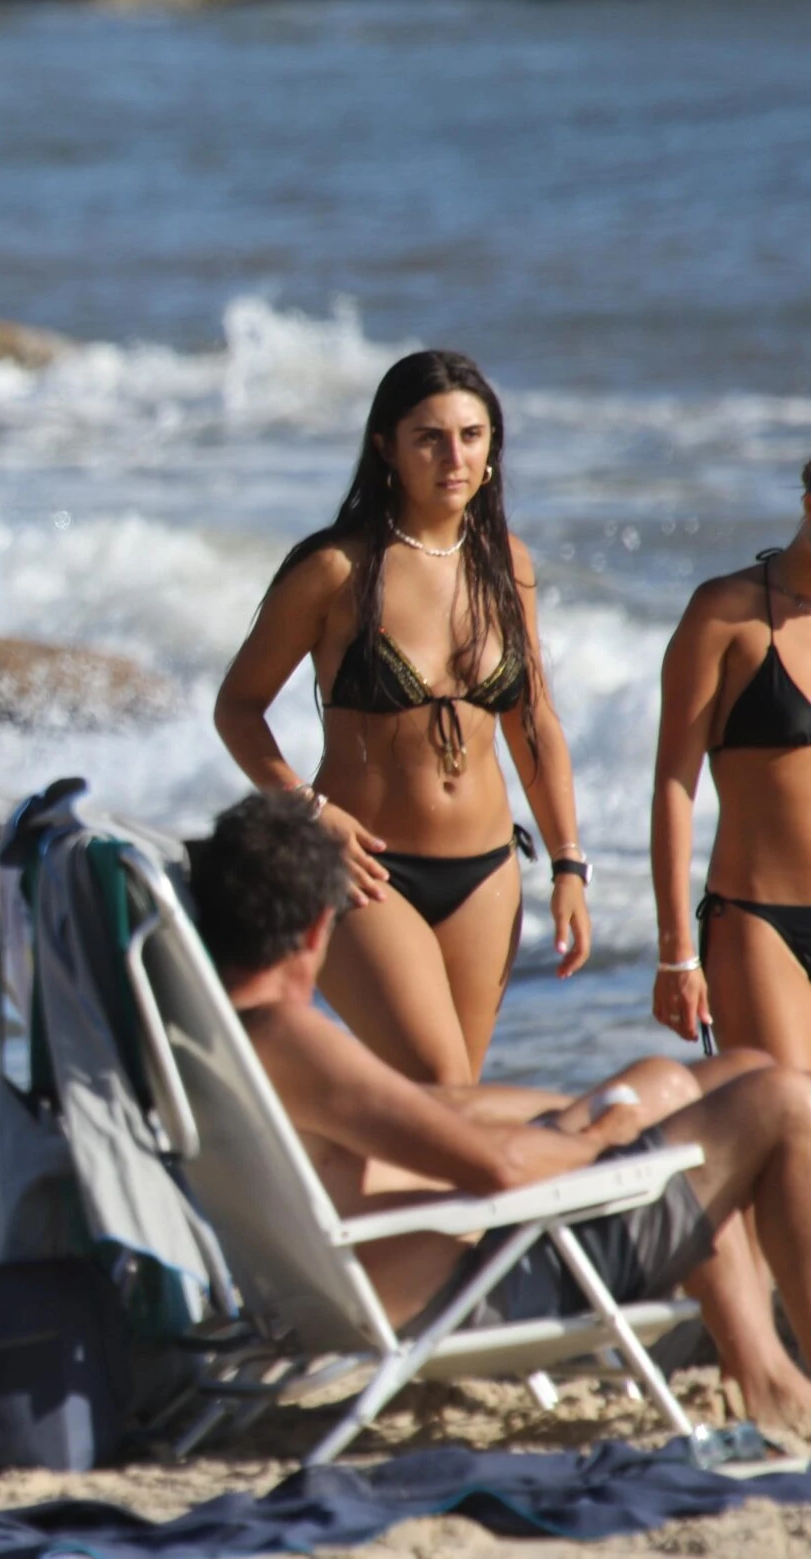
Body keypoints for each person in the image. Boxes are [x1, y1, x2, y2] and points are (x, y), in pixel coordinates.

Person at [189, 791, 811, 1434]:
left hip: (386, 1280)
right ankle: (767, 1377)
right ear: (320, 926)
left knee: (721, 1075)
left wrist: (569, 1111)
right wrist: (602, 1133)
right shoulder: (294, 1042)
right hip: (488, 1287)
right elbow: (502, 1169)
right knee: (783, 1102)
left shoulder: (223, 1039)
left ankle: (758, 1368)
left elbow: (431, 1108)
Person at [215, 349, 592, 1086]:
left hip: (486, 872)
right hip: (364, 872)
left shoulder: (505, 563)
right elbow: (237, 706)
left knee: (453, 1098)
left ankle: (362, 1195)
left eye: (473, 435)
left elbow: (533, 721)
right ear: (386, 447)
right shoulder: (336, 569)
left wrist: (569, 861)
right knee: (437, 1076)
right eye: (430, 437)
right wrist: (304, 807)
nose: (455, 455)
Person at [652, 459, 811, 1066]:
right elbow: (673, 783)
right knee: (789, 1127)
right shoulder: (724, 614)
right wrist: (676, 952)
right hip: (759, 924)